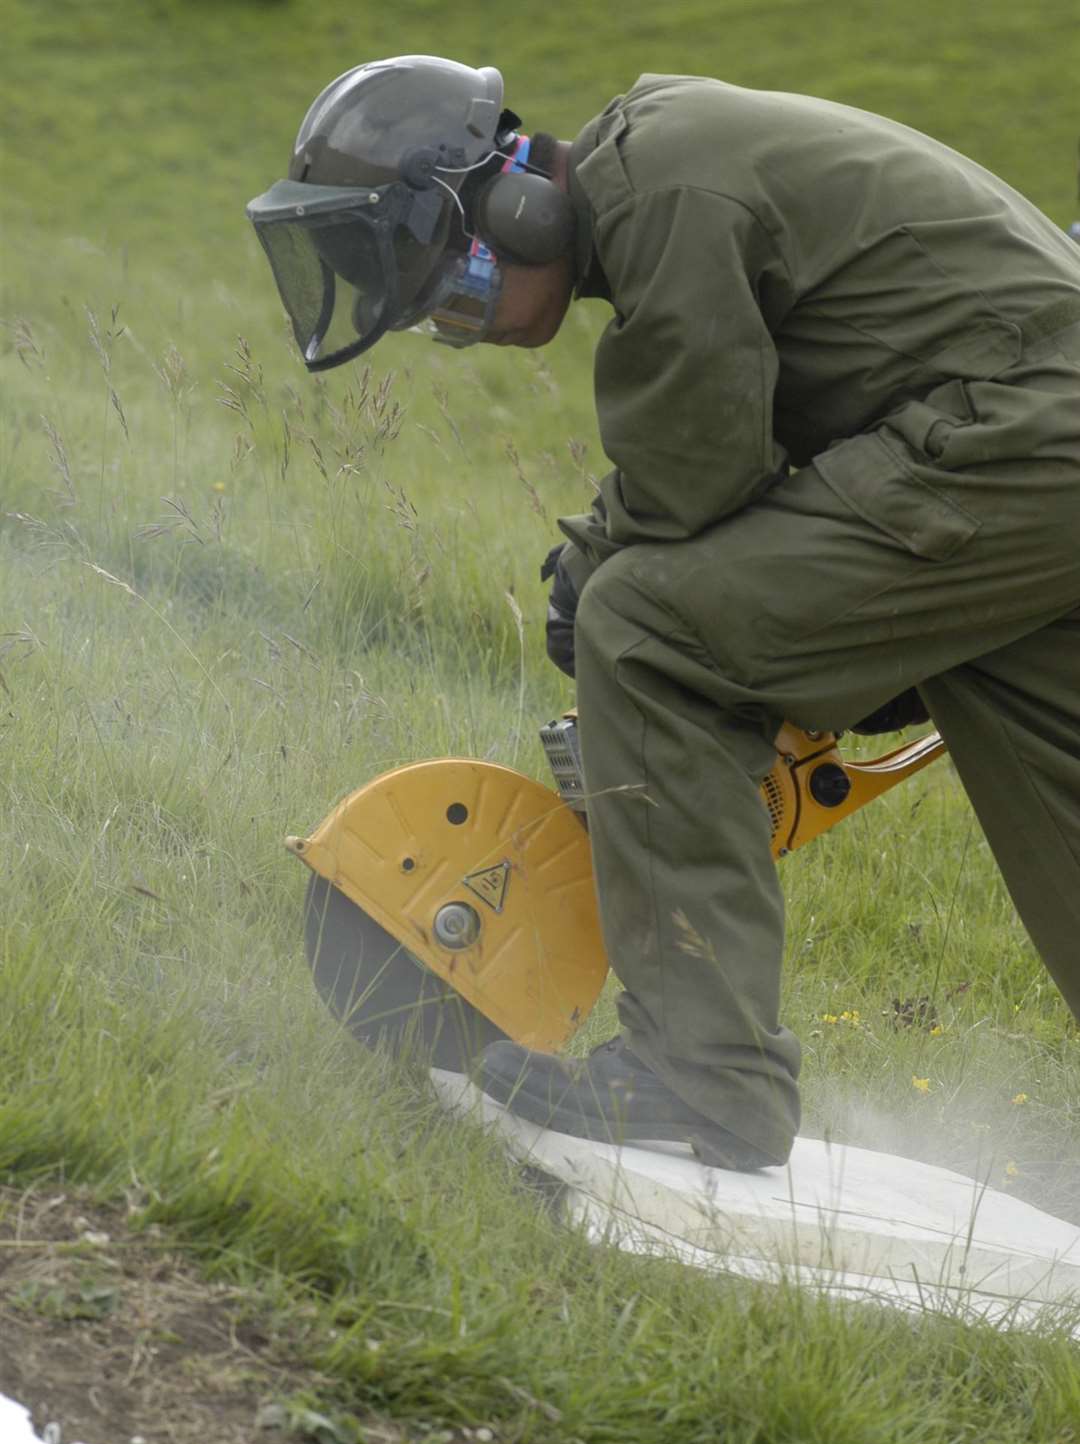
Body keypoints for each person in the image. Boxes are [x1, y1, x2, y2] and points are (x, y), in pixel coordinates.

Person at [248, 56, 1080, 1170]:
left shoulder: (667, 183)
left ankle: (705, 1078)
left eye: (454, 289)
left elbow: (700, 467)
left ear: (517, 208)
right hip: (1025, 453)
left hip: (1016, 441)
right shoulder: (665, 169)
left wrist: (596, 565)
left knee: (646, 631)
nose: (464, 328)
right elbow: (746, 424)